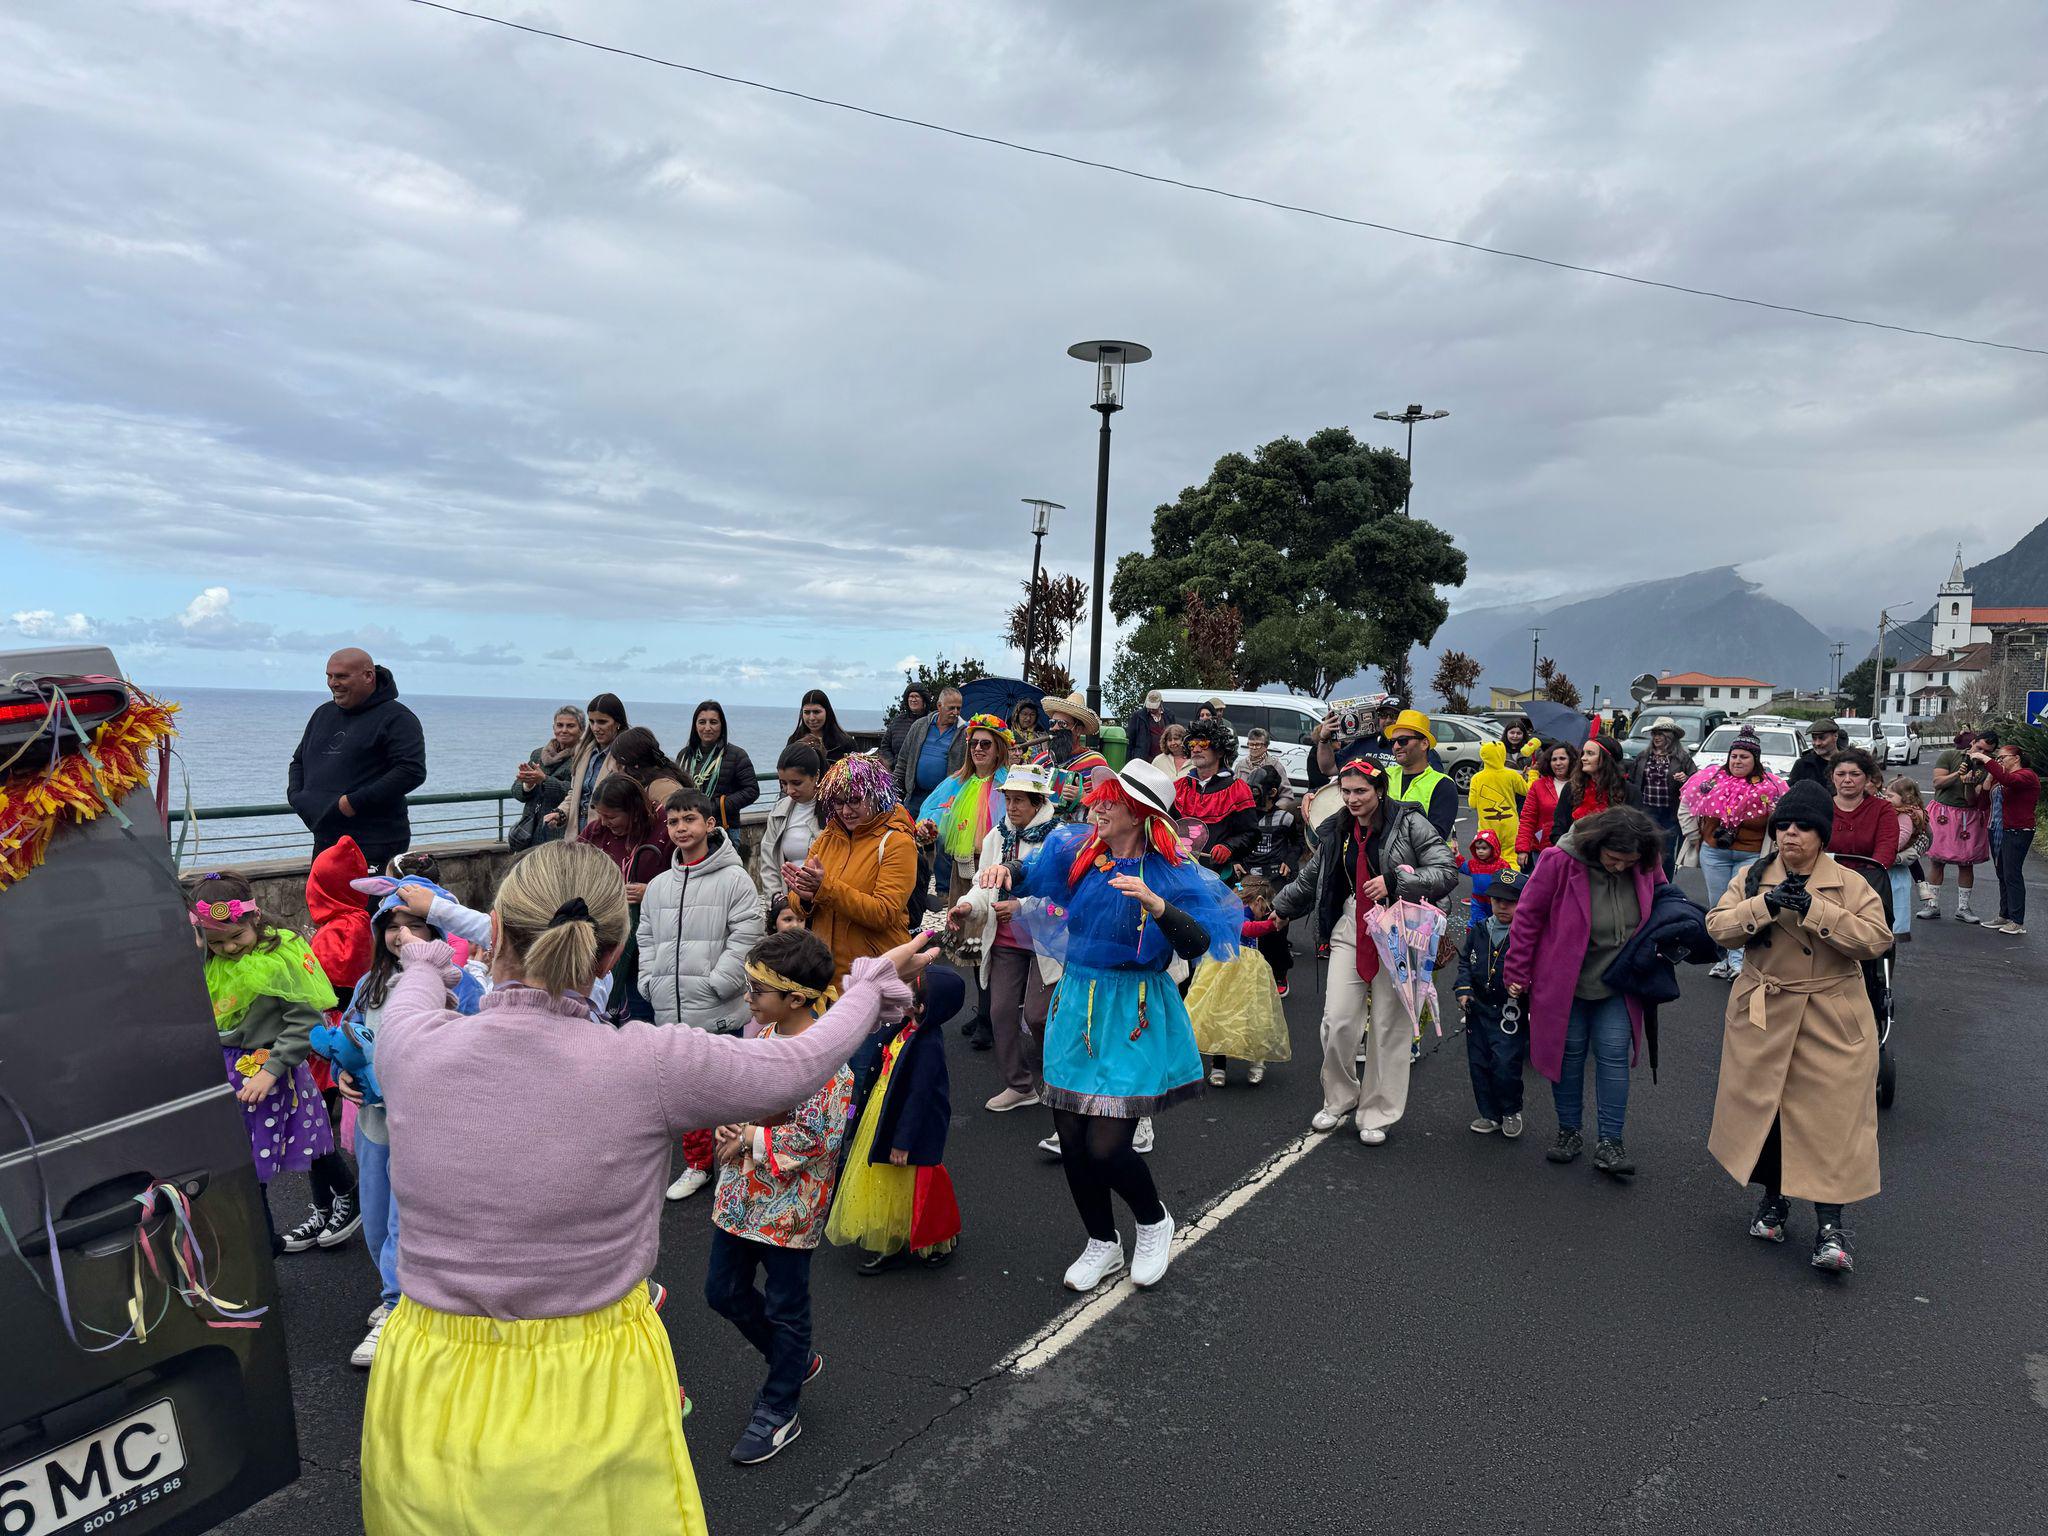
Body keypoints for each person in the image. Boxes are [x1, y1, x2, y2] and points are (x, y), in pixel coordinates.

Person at [360, 840, 932, 1534]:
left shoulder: (409, 1042)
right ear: (609, 958)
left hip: (430, 1371)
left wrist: (426, 959)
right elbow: (797, 1063)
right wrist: (868, 986)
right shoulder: (647, 1062)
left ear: (499, 931)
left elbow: (417, 983)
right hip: (586, 1371)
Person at [982, 761, 1240, 1291]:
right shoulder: (1079, 854)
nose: (1096, 807)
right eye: (1097, 799)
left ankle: (1153, 1221)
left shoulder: (1170, 872)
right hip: (1076, 1004)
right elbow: (1028, 873)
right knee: (1072, 1139)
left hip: (1134, 1010)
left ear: (1140, 813)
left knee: (1107, 1146)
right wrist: (1003, 873)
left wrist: (1158, 904)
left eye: (1110, 802)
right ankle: (1102, 1241)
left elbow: (1198, 944)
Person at [1705, 781, 1890, 1274]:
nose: (1791, 835)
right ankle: (1774, 1202)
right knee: (1769, 1115)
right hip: (1764, 1011)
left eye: (1803, 826)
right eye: (1783, 825)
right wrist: (1763, 907)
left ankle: (1832, 1225)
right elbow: (1718, 927)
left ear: (1822, 834)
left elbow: (1876, 940)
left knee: (1832, 1120)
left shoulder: (1851, 884)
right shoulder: (1752, 876)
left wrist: (1817, 911)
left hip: (1830, 1015)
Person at [318, 879, 485, 1367]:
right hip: (375, 1119)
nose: (401, 935)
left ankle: (397, 1305)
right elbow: (348, 1034)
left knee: (405, 1219)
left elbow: (478, 1044)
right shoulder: (370, 985)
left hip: (427, 1124)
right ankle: (397, 1291)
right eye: (392, 925)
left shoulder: (462, 984)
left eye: (414, 924)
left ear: (436, 931)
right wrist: (344, 1072)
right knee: (375, 1216)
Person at [703, 928, 852, 1465]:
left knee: (787, 1307)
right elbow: (739, 1097)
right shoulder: (761, 1042)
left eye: (758, 991)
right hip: (742, 1196)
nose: (749, 998)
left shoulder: (828, 1061)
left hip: (791, 1209)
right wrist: (730, 1127)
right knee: (721, 1292)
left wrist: (748, 1137)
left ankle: (779, 1404)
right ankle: (792, 1361)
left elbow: (818, 1137)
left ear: (794, 998)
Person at [1273, 759, 1457, 1145]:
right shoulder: (1336, 828)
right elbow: (1312, 878)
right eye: (1347, 791)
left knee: (1390, 1028)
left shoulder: (1410, 823)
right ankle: (1339, 1097)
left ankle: (1377, 1112)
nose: (1353, 799)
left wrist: (1395, 881)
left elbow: (1445, 871)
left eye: (1361, 791)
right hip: (1352, 925)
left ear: (1380, 790)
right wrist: (1280, 908)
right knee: (1337, 1021)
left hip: (1399, 929)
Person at [1505, 807, 1667, 1178]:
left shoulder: (1643, 859)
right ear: (1597, 846)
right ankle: (1568, 1132)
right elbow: (1528, 916)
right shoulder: (1558, 860)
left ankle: (1611, 1141)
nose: (1621, 868)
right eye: (1613, 860)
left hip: (1619, 980)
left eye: (1629, 862)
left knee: (1613, 1055)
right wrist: (1517, 970)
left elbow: (1663, 896)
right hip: (1565, 981)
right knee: (1568, 1055)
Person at [191, 872, 339, 1252]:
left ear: (254, 918)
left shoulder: (275, 959)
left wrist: (272, 1070)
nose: (227, 948)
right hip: (230, 1069)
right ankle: (265, 1239)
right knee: (243, 1161)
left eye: (236, 937)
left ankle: (269, 1242)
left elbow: (304, 1021)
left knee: (284, 1153)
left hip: (271, 1070)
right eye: (216, 942)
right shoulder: (210, 958)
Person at [640, 788, 766, 1200]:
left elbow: (747, 935)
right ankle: (697, 1164)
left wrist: (720, 983)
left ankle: (734, 1159)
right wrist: (648, 981)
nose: (680, 828)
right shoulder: (659, 885)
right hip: (671, 1009)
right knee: (689, 1094)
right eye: (673, 821)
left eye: (689, 819)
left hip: (718, 1009)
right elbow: (645, 938)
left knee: (727, 1091)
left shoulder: (734, 879)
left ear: (710, 824)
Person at [825, 968, 961, 1274]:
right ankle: (893, 1236)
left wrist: (902, 1142)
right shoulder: (904, 1028)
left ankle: (892, 1242)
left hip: (900, 1121)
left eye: (909, 992)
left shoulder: (928, 1046)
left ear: (922, 1007)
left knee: (898, 1181)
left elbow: (918, 1099)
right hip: (882, 1109)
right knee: (881, 1176)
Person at [948, 762, 1060, 1111]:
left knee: (1040, 1017)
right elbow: (985, 885)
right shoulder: (996, 837)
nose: (1011, 808)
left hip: (1045, 942)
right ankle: (1020, 1085)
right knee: (1000, 1012)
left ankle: (1060, 1079)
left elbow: (1060, 895)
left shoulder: (1059, 839)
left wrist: (1022, 907)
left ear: (1039, 802)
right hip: (1006, 940)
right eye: (1008, 799)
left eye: (1019, 801)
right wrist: (967, 907)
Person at [296, 839, 371, 1261]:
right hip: (326, 1032)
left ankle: (344, 1197)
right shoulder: (350, 920)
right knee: (313, 1123)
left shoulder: (348, 925)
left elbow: (332, 984)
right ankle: (323, 1207)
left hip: (332, 1036)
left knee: (315, 1125)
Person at [286, 648, 427, 869]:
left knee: (365, 905)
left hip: (374, 842)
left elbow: (411, 771)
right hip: (325, 839)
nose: (333, 683)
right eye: (329, 676)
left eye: (341, 676)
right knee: (323, 903)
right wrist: (296, 796)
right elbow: (298, 761)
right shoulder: (323, 713)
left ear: (368, 676)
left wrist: (351, 803)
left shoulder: (398, 718)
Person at [785, 756, 918, 988]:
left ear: (877, 794)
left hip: (874, 974)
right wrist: (805, 899)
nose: (845, 811)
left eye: (855, 800)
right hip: (827, 973)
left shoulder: (898, 842)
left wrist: (823, 888)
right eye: (838, 802)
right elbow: (798, 903)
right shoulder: (827, 837)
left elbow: (883, 913)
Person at [1684, 729, 1786, 980]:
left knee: (1743, 905)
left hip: (1751, 854)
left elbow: (1780, 823)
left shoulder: (1770, 787)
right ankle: (1723, 958)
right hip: (1715, 854)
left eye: (1744, 757)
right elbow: (1686, 807)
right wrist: (1695, 838)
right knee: (1719, 905)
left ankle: (1739, 959)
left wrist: (1773, 813)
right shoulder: (1711, 781)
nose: (1737, 761)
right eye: (1734, 756)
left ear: (1755, 761)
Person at [1187, 872, 1291, 1087]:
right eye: (1264, 910)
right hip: (1231, 966)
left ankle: (1249, 1063)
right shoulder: (1237, 912)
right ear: (1259, 901)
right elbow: (1246, 929)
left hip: (1237, 968)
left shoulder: (1229, 907)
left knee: (1238, 1014)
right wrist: (1272, 925)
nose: (1264, 915)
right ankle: (1228, 1065)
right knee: (1232, 1014)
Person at [582, 775, 672, 1021]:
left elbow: (685, 879)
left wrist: (650, 891)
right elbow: (574, 868)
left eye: (611, 817)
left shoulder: (665, 830)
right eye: (600, 815)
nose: (604, 822)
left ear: (633, 811)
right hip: (606, 935)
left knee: (640, 1007)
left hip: (649, 937)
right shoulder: (596, 832)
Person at [1455, 865, 1530, 1138]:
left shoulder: (1526, 935)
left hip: (1509, 1013)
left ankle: (1510, 1110)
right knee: (1479, 1063)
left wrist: (1525, 986)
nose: (1502, 907)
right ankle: (1489, 1113)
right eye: (1498, 901)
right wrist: (1463, 989)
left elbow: (1537, 968)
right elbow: (1465, 961)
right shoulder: (1479, 929)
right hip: (1478, 1009)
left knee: (1505, 1064)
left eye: (1510, 902)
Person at [1240, 764, 1304, 995]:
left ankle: (1279, 972)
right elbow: (1234, 840)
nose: (1252, 797)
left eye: (1256, 792)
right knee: (1241, 921)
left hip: (1275, 879)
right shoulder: (1244, 818)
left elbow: (1298, 844)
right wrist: (1235, 860)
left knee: (1273, 925)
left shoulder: (1285, 818)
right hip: (1246, 879)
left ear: (1272, 793)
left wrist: (1290, 859)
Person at [1919, 730, 1991, 923]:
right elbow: (1937, 783)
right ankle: (1931, 904)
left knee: (1967, 863)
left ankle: (1964, 908)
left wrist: (1968, 784)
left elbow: (1972, 801)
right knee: (1936, 861)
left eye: (1986, 751)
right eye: (1979, 748)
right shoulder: (1949, 755)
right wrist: (1957, 775)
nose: (1981, 753)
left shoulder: (1986, 769)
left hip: (1968, 816)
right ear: (1973, 743)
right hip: (1943, 812)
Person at [1173, 718, 1258, 877]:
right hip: (1179, 871)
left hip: (1218, 875)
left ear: (1219, 751)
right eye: (1192, 745)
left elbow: (1251, 834)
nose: (1196, 749)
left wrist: (1229, 847)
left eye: (1203, 745)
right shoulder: (1179, 787)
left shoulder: (1238, 789)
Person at [1973, 738, 2039, 936]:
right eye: (1998, 758)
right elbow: (1983, 804)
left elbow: (2011, 781)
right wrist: (1986, 782)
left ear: (2016, 758)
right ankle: (2004, 914)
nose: (1999, 761)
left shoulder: (2027, 776)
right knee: (2002, 873)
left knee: (2012, 874)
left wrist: (1986, 759)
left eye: (2002, 758)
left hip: (2018, 830)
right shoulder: (2000, 778)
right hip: (1998, 829)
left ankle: (2017, 921)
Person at [680, 701, 761, 856]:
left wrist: (717, 805)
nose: (707, 728)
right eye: (702, 722)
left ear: (722, 725)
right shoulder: (685, 756)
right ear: (695, 725)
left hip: (724, 830)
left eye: (714, 722)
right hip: (690, 829)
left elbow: (752, 790)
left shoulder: (737, 755)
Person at [761, 743, 829, 920]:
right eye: (783, 783)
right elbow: (768, 861)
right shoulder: (778, 811)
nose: (789, 790)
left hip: (826, 905)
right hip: (790, 906)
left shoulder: (835, 811)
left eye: (796, 783)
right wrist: (777, 898)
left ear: (816, 776)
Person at [1627, 717, 1696, 879]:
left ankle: (1664, 884)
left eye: (1660, 734)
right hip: (1646, 810)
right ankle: (1646, 882)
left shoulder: (1682, 758)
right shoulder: (1644, 756)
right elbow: (1631, 780)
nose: (1656, 737)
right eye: (1654, 734)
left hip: (1670, 812)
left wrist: (1685, 779)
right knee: (1645, 849)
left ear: (1670, 737)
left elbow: (1696, 780)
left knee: (1666, 853)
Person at [510, 704, 584, 851]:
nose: (563, 730)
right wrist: (527, 785)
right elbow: (516, 792)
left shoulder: (583, 757)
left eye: (570, 726)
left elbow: (576, 793)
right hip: (530, 831)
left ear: (581, 730)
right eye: (559, 725)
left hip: (559, 832)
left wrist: (544, 780)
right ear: (553, 728)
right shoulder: (538, 754)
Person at [556, 692, 627, 843]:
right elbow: (575, 793)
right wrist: (560, 813)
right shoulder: (583, 750)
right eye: (592, 722)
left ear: (617, 722)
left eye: (602, 722)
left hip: (607, 834)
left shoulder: (625, 755)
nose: (595, 728)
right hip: (576, 832)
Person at [1382, 709, 1460, 841]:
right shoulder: (1384, 775)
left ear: (1424, 744)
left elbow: (1435, 838)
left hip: (1426, 861)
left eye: (1402, 740)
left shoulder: (1442, 784)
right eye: (1392, 742)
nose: (1395, 746)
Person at [1036, 692, 1112, 816]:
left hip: (1078, 831)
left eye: (1062, 724)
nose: (1054, 728)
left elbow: (1109, 804)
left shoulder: (1095, 762)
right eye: (1052, 723)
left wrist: (1083, 797)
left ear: (1078, 730)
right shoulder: (1042, 759)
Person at [1825, 748, 1899, 868]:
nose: (1847, 780)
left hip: (1869, 881)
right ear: (1832, 777)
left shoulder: (1883, 809)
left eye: (1855, 774)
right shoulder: (1820, 807)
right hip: (1824, 879)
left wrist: (1864, 880)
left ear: (1868, 778)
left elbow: (1886, 850)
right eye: (1841, 774)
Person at [892, 686, 965, 804]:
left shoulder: (964, 733)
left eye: (958, 708)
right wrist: (893, 790)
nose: (955, 712)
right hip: (915, 797)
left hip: (944, 800)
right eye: (951, 708)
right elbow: (903, 762)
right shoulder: (919, 726)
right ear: (939, 706)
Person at [1551, 736, 1630, 841]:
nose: (1583, 758)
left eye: (1590, 753)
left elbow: (1633, 832)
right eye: (1583, 753)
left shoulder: (1628, 791)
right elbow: (1558, 829)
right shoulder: (1571, 788)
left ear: (1606, 758)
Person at [608, 726, 686, 824]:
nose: (613, 767)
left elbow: (681, 823)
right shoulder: (645, 785)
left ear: (632, 764)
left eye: (618, 761)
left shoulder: (663, 788)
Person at [1467, 739, 1529, 860]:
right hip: (1510, 824)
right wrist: (1532, 775)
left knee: (1488, 857)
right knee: (1510, 856)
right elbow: (1527, 791)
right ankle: (1509, 877)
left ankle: (1489, 878)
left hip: (1487, 826)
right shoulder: (1512, 775)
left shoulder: (1477, 778)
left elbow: (1472, 804)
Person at [1517, 742, 1577, 865]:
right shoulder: (1538, 785)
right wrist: (1522, 849)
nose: (1558, 763)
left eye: (1562, 758)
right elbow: (1527, 819)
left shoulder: (1582, 785)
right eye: (1554, 759)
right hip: (1543, 849)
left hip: (1575, 848)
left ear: (1571, 760)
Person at [1885, 778, 1930, 942]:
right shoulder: (1914, 810)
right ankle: (1923, 887)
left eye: (1890, 796)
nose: (1886, 799)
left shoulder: (1905, 814)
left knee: (1895, 899)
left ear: (1906, 797)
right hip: (1905, 855)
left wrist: (1886, 849)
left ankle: (1892, 935)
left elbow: (1901, 837)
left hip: (1897, 859)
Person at [1457, 829, 1512, 927]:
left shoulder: (1502, 865)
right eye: (1477, 848)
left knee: (1495, 923)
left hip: (1495, 901)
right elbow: (1462, 866)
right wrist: (1456, 855)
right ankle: (1473, 939)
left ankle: (1491, 939)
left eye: (1484, 848)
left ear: (1493, 848)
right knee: (1476, 922)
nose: (1480, 851)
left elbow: (1508, 883)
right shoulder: (1474, 864)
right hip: (1478, 901)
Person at [789, 688, 857, 763]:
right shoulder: (794, 740)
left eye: (817, 712)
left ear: (827, 712)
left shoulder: (845, 744)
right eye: (807, 712)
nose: (811, 718)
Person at [1124, 689, 1178, 764]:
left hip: (1164, 759)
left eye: (1154, 706)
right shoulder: (1138, 716)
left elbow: (1174, 735)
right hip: (1143, 760)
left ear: (1161, 703)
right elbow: (1130, 741)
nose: (1152, 709)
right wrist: (1129, 761)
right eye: (1150, 706)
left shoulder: (1169, 715)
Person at [1787, 720, 1841, 789]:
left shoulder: (1848, 762)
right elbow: (1790, 792)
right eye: (1814, 738)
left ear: (1835, 736)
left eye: (1822, 738)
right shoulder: (1803, 764)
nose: (1817, 743)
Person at [884, 685, 932, 762]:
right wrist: (892, 763)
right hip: (897, 770)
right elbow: (885, 746)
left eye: (917, 696)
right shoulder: (897, 721)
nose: (913, 700)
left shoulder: (932, 721)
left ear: (924, 700)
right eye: (911, 696)